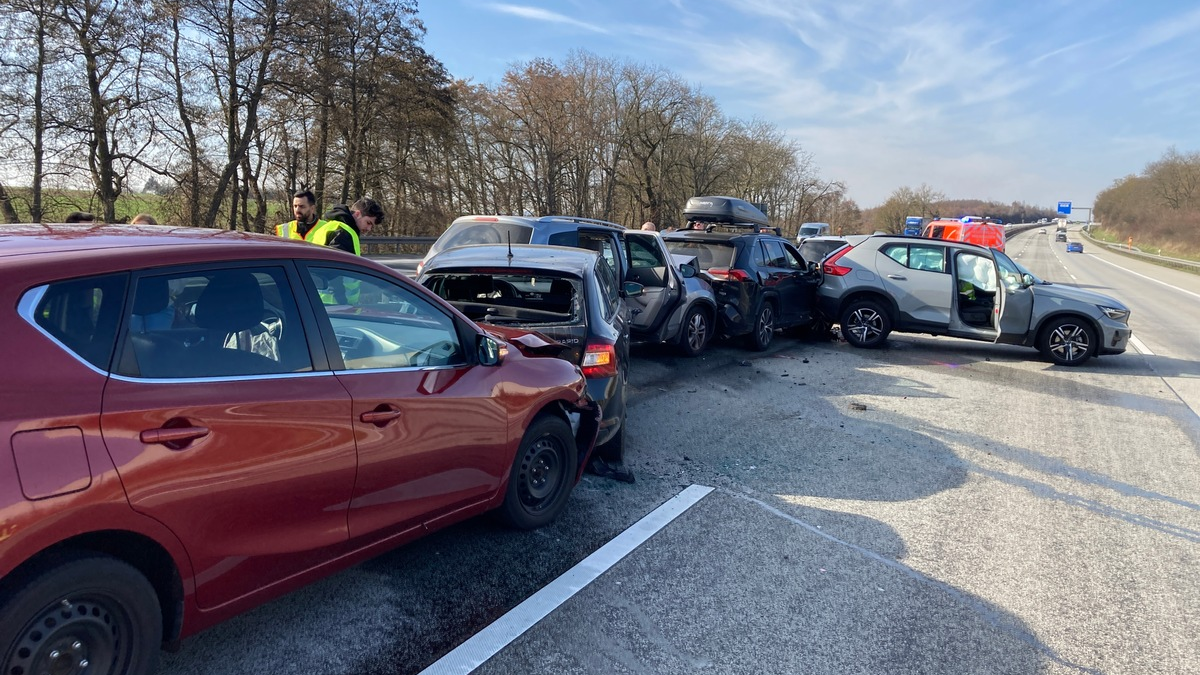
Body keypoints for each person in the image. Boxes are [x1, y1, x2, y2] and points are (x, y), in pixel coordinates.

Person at [310, 197, 384, 256]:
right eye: (368, 223)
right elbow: (338, 269)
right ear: (357, 214)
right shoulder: (343, 233)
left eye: (372, 226)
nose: (369, 229)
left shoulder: (331, 226)